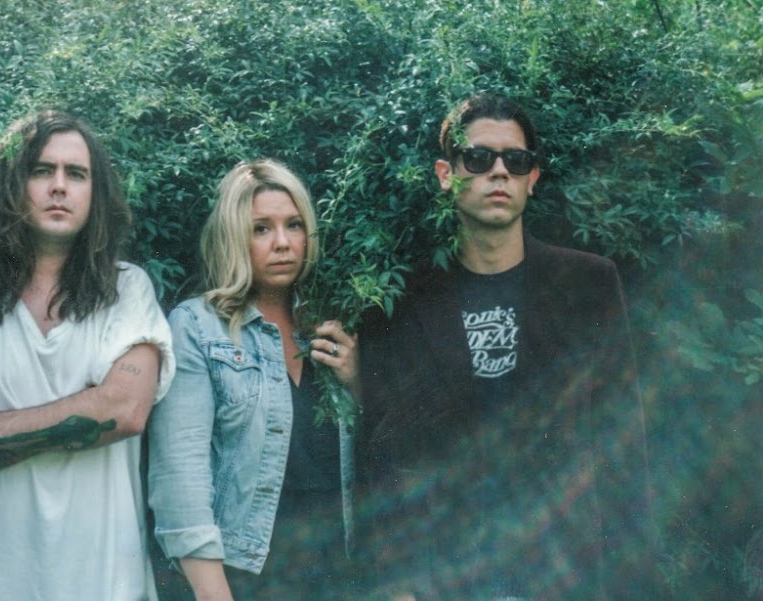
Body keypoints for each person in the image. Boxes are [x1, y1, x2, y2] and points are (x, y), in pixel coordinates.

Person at [358, 94, 654, 600]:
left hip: (562, 569)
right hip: (447, 574)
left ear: (531, 178)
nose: (499, 172)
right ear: (447, 174)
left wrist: (632, 580)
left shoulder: (588, 284)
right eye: (478, 158)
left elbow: (622, 437)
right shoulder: (403, 300)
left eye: (515, 161)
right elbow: (386, 457)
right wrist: (396, 584)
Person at [0, 110, 174, 601]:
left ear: (95, 194)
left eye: (77, 174)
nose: (59, 186)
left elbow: (125, 410)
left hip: (100, 583)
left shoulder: (127, 291)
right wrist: (84, 412)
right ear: (10, 184)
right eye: (42, 170)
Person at [147, 159, 359, 600]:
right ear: (232, 236)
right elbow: (179, 479)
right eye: (261, 228)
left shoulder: (330, 325)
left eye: (294, 225)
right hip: (243, 579)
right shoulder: (198, 327)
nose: (282, 243)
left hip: (336, 578)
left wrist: (359, 381)